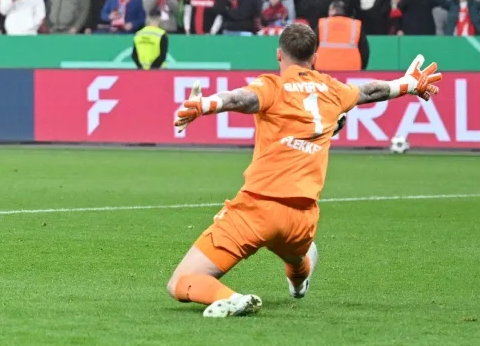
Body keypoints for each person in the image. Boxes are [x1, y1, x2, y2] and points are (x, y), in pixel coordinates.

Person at [167, 24, 442, 317]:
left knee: (181, 282)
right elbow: (370, 91)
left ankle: (232, 298)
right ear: (314, 57)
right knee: (297, 255)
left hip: (256, 210)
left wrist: (206, 104)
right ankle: (299, 274)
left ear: (279, 55)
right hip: (301, 219)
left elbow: (240, 99)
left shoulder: (272, 86)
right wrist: (409, 84)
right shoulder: (332, 90)